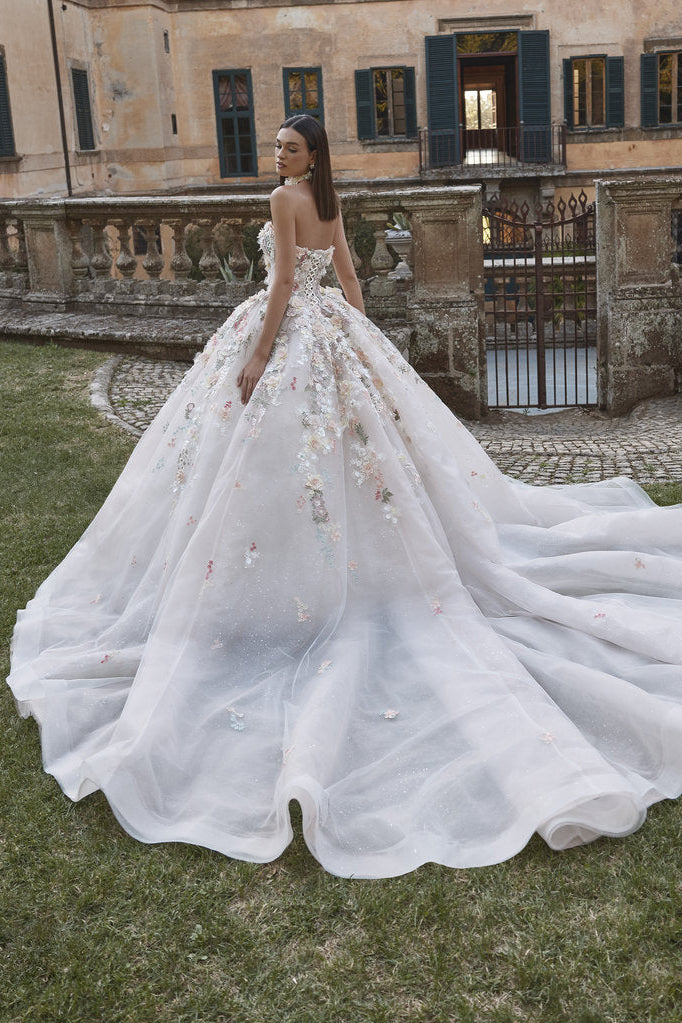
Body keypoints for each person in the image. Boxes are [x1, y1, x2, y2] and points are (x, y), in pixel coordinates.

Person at [7, 115, 682, 879]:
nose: (278, 155)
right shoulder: (330, 200)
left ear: (312, 155)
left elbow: (287, 283)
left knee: (278, 463)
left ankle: (283, 586)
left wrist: (262, 354)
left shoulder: (284, 199)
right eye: (277, 148)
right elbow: (350, 277)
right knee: (334, 468)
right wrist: (363, 346)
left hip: (294, 334)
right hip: (331, 334)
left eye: (290, 148)